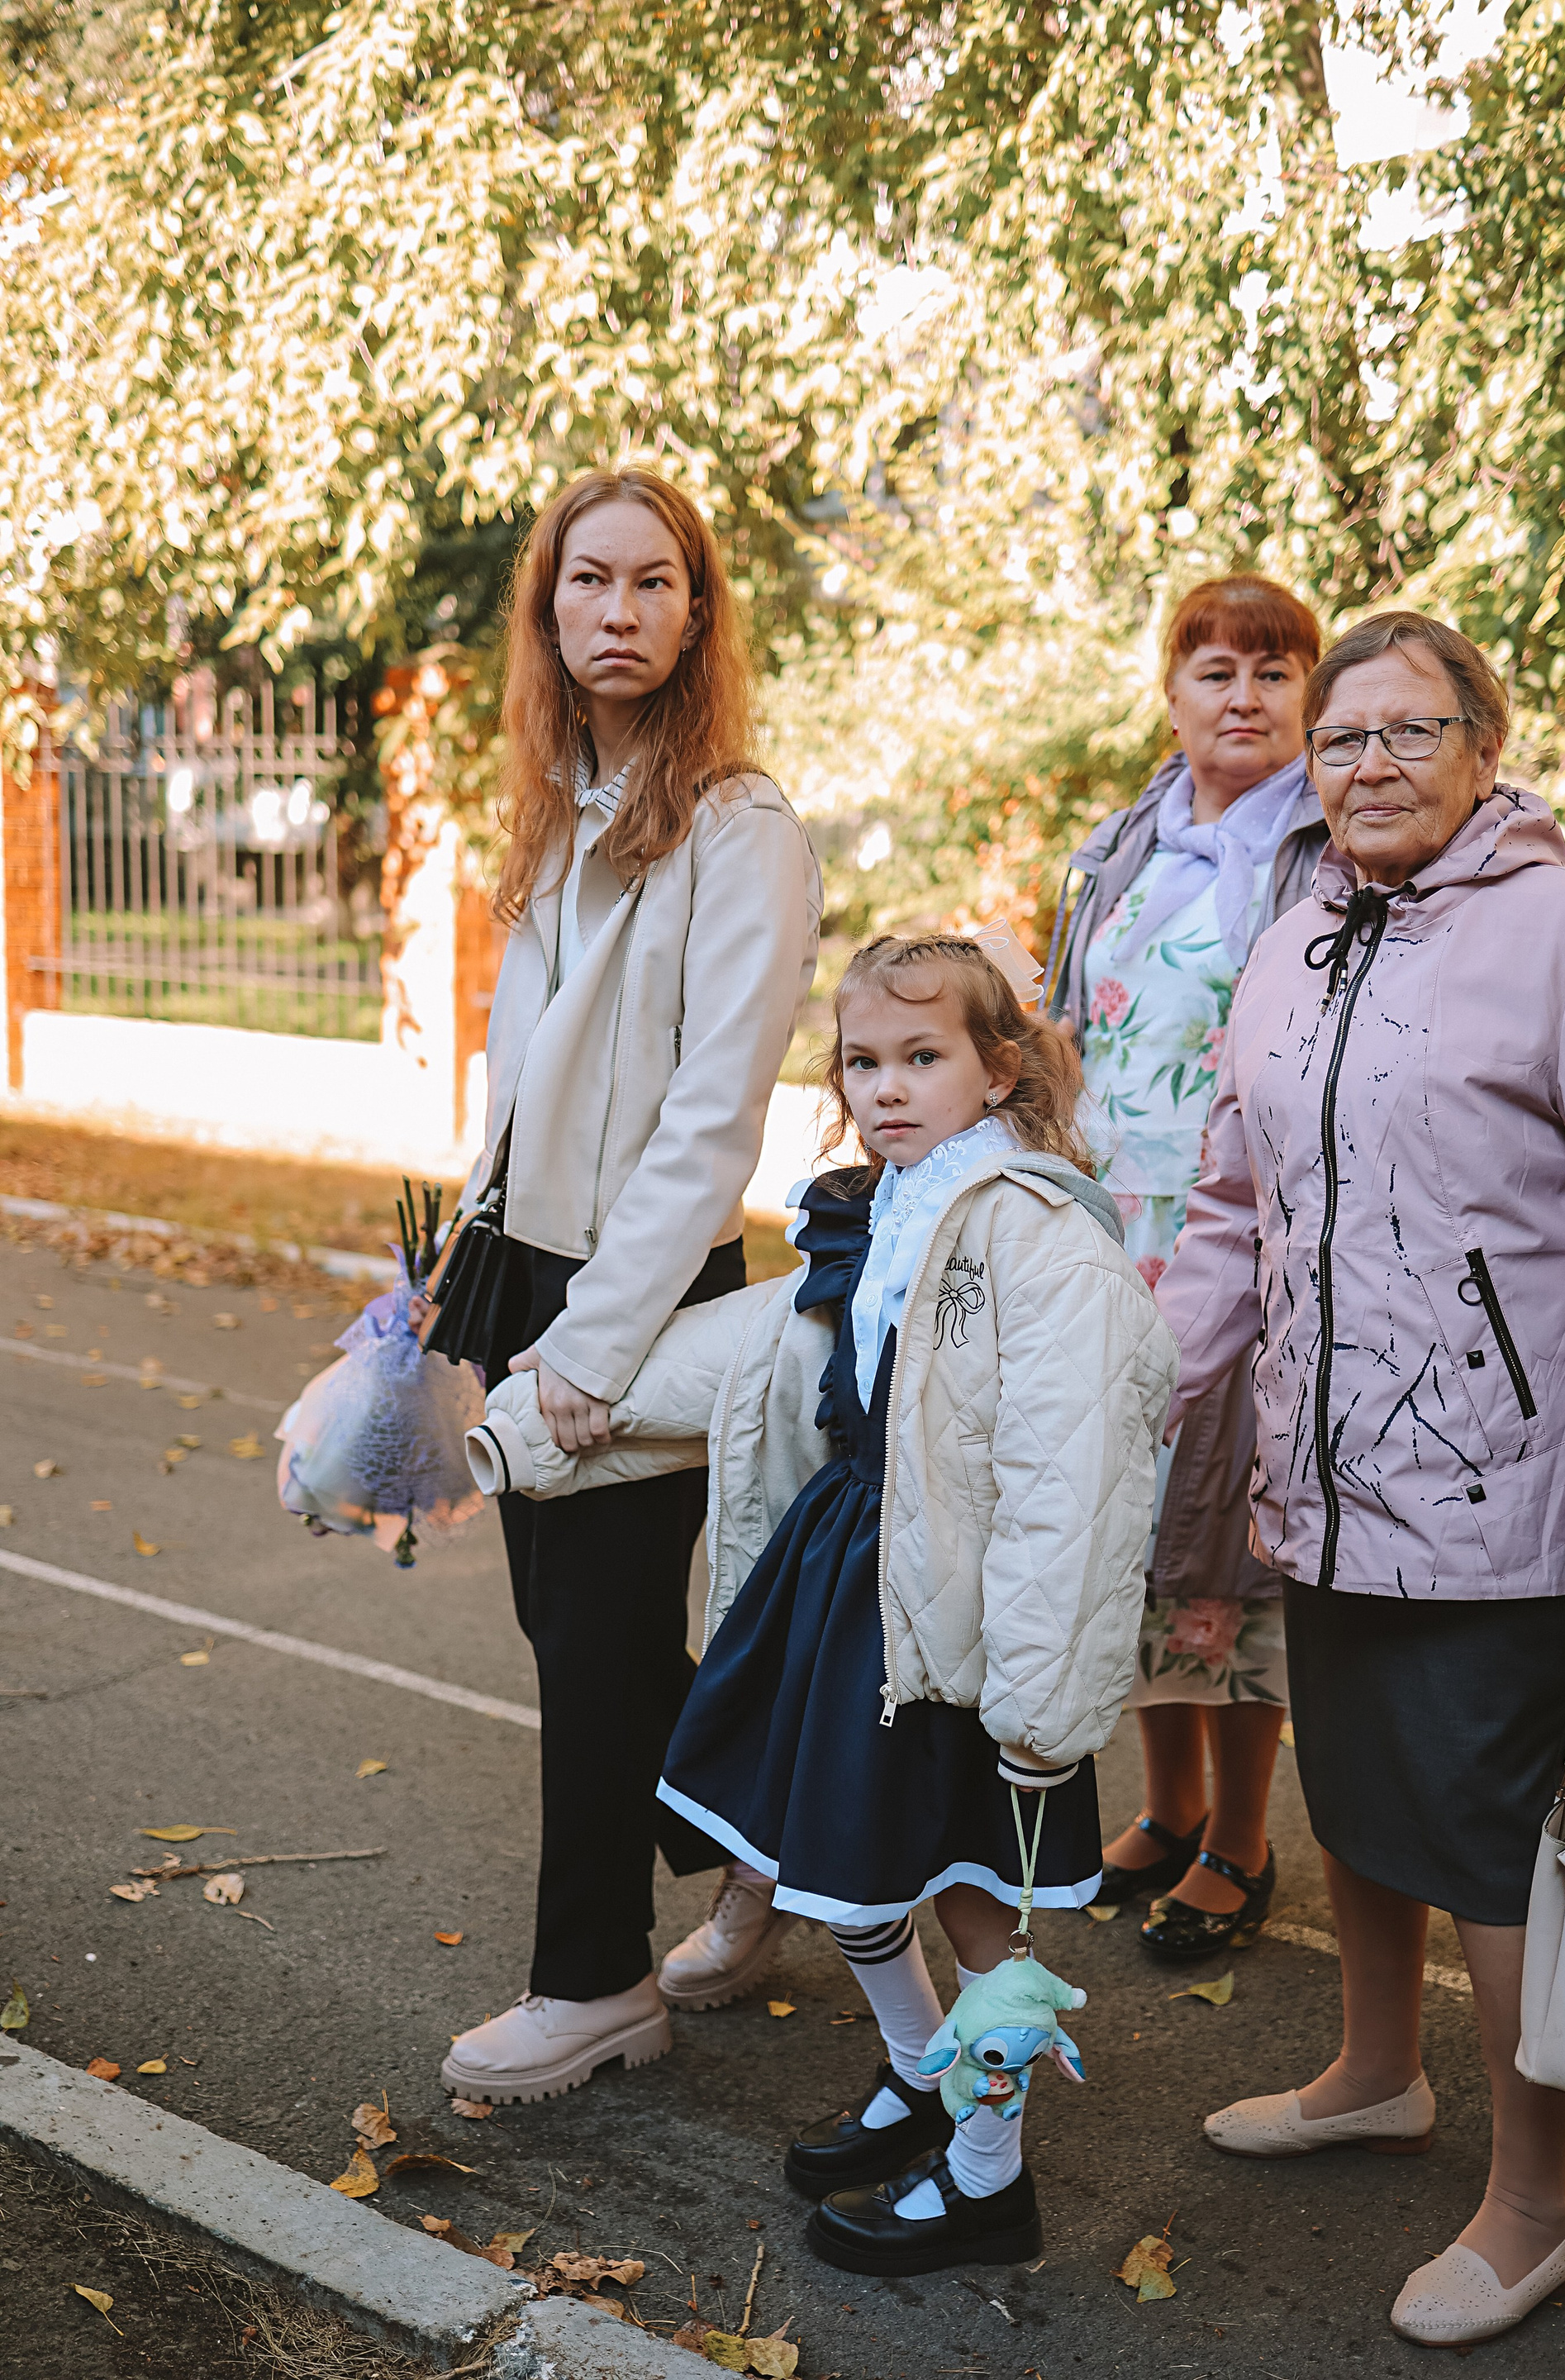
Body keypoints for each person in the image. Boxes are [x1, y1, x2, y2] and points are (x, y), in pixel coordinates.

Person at [481, 935, 1177, 2270]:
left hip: (961, 1612)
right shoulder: (877, 1208)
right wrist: (564, 1386)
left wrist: (1040, 1697)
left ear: (1000, 1070)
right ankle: (921, 2068)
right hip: (848, 1570)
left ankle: (988, 2179)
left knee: (971, 1903)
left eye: (923, 1057)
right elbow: (757, 1347)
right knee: (831, 1864)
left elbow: (1077, 1479)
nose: (887, 1087)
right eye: (863, 1061)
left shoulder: (1039, 1241)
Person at [1157, 611, 1565, 2347]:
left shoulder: (1559, 931)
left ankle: (1537, 2200)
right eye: (1342, 740)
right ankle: (1376, 2072)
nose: (1372, 765)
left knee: (1493, 1846)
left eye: (1411, 731)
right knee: (1354, 1795)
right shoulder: (1294, 939)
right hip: (1324, 1476)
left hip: (1506, 1484)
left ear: (1485, 745)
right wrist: (1139, 1392)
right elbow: (1228, 1209)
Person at [436, 466, 821, 2106]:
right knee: (568, 1633)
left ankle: (595, 1985)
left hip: (638, 1284)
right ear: (547, 613)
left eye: (654, 582)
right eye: (588, 582)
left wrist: (594, 1346)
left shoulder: (742, 828)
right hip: (521, 1263)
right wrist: (461, 1264)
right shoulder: (557, 806)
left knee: (597, 1655)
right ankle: (781, 1836)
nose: (619, 611)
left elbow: (712, 1116)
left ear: (696, 612)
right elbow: (524, 1071)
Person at [1046, 577, 1327, 1960]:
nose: (1244, 697)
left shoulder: (1320, 852)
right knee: (1135, 1524)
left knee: (1231, 1528)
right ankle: (1165, 1811)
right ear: (1172, 696)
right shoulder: (1128, 841)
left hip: (1241, 1231)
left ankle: (1243, 1840)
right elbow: (1071, 1025)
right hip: (1112, 1225)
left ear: (1310, 699)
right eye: (1217, 671)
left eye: (1274, 673)